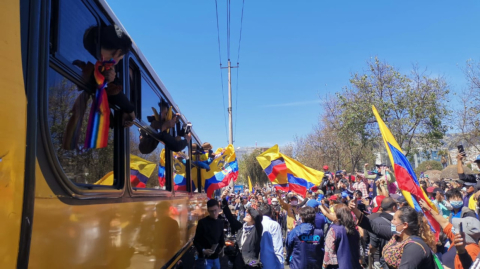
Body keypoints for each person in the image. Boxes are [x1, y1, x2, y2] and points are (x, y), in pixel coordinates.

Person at [350, 200, 436, 268]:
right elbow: (374, 227)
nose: (391, 222)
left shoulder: (415, 247)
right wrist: (355, 210)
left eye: (394, 220)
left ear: (405, 225)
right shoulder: (397, 236)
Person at [420, 199, 480, 269]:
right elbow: (444, 222)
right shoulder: (458, 239)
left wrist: (443, 267)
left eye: (458, 227)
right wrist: (428, 208)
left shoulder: (473, 251)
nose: (454, 228)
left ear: (464, 233)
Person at [221, 191, 263, 268]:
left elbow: (257, 216)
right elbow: (229, 217)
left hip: (250, 265)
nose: (246, 214)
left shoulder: (256, 231)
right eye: (247, 213)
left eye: (249, 214)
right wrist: (223, 200)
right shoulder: (241, 227)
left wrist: (249, 208)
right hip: (238, 264)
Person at [322, 203, 361, 269]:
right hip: (354, 265)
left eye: (333, 212)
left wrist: (324, 266)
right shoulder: (354, 230)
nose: (331, 214)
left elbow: (329, 251)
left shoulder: (334, 230)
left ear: (338, 215)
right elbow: (359, 249)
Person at [193, 199, 225, 269]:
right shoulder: (202, 223)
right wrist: (203, 250)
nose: (214, 213)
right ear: (208, 210)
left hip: (216, 258)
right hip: (205, 259)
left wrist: (222, 247)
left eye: (215, 210)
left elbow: (221, 238)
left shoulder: (220, 222)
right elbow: (196, 241)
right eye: (211, 211)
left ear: (219, 208)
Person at [258, 204, 284, 269]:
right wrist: (281, 265)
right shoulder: (274, 224)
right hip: (270, 261)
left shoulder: (256, 223)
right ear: (271, 213)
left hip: (256, 260)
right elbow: (278, 246)